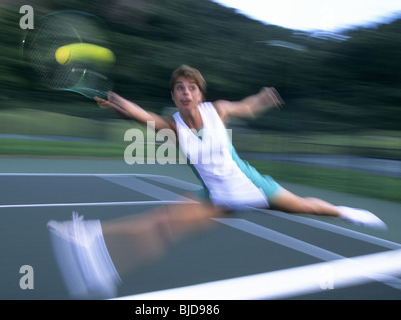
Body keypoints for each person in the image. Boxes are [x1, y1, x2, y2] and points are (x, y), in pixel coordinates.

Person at [47, 65, 386, 299]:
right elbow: (141, 116)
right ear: (174, 94)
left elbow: (247, 107)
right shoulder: (174, 126)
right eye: (179, 88)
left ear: (199, 93)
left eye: (190, 87)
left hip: (251, 187)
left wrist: (260, 99)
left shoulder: (218, 111)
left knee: (308, 208)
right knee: (163, 223)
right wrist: (117, 105)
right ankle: (92, 240)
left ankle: (345, 212)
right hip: (217, 197)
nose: (185, 92)